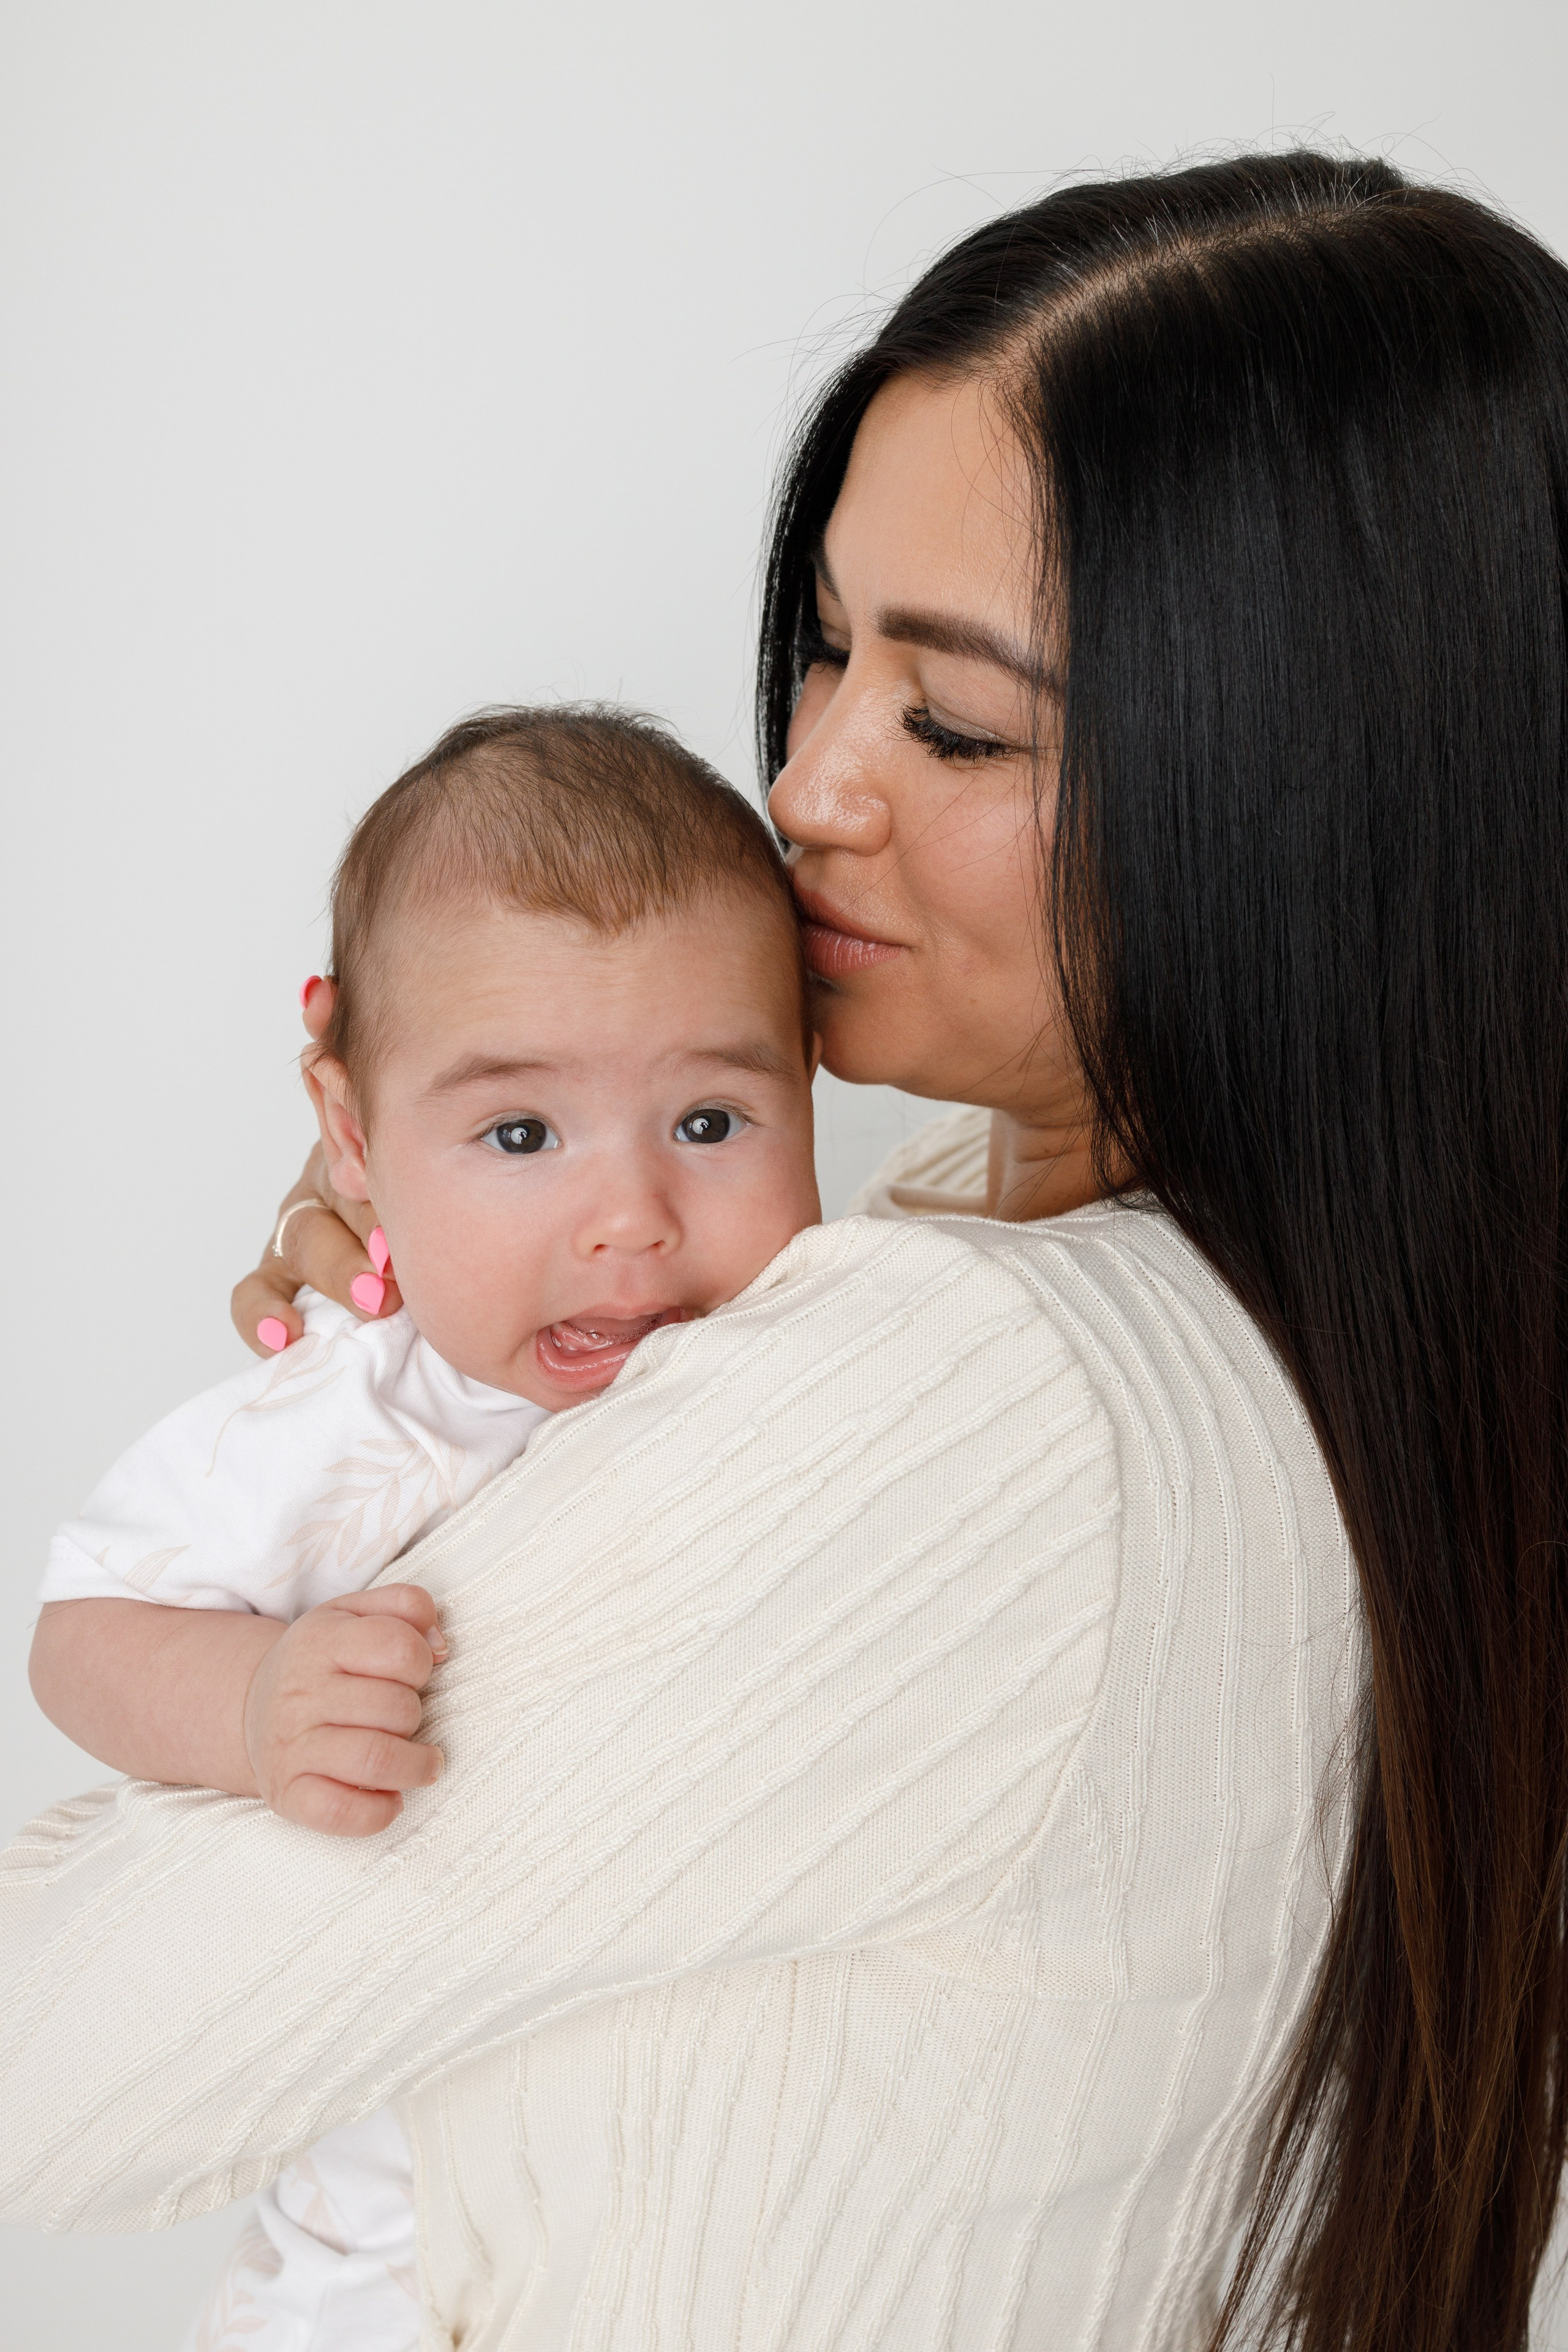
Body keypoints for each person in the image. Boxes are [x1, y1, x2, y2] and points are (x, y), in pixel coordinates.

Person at [3, 148, 1566, 2352]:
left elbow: (60, 2074)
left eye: (958, 719)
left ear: (1315, 798)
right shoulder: (1375, 1360)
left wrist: (323, 1533)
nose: (812, 780)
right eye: (827, 645)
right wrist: (450, 1317)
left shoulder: (960, 1394)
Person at [28, 703, 823, 2350]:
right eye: (521, 1136)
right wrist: (252, 1706)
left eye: (711, 1124)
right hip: (385, 2263)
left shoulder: (814, 1369)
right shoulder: (350, 1424)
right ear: (351, 1135)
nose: (631, 1221)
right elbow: (81, 1634)